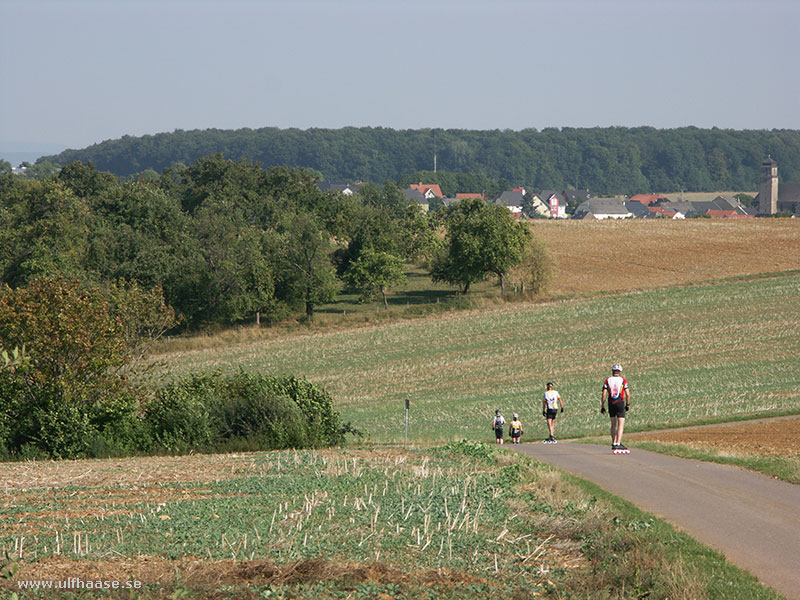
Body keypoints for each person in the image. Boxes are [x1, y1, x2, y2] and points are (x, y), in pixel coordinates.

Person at [600, 364, 630, 451]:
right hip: (620, 402)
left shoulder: (607, 380)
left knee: (613, 424)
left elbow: (604, 394)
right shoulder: (623, 380)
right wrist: (627, 405)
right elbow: (627, 394)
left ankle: (613, 443)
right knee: (621, 424)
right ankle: (618, 443)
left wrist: (602, 406)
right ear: (620, 372)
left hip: (611, 402)